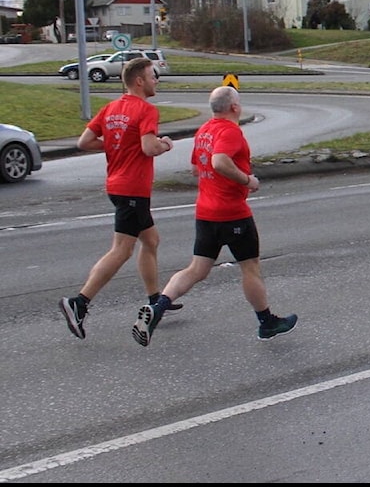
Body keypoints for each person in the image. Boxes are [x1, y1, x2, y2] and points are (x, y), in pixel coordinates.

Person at [132, 85, 297, 346]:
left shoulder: (204, 131)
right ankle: (267, 322)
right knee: (250, 267)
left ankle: (159, 307)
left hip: (206, 212)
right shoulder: (230, 131)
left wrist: (220, 180)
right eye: (239, 102)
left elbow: (196, 170)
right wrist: (246, 181)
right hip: (232, 213)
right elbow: (219, 162)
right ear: (234, 107)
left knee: (196, 268)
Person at [59, 57, 181, 340]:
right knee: (122, 250)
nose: (156, 80)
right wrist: (165, 144)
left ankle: (155, 301)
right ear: (139, 80)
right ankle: (79, 303)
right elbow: (149, 148)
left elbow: (84, 142)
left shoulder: (110, 109)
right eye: (153, 76)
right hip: (132, 189)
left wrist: (116, 145)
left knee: (150, 241)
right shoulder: (145, 110)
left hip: (116, 185)